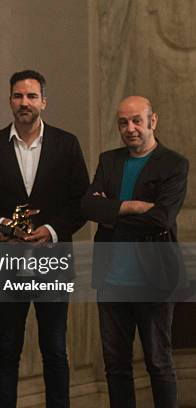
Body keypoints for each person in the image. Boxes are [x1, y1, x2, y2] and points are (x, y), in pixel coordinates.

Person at [0, 70, 89, 407]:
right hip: (7, 263)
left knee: (54, 350)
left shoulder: (67, 144)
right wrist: (3, 225)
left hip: (53, 261)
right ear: (10, 101)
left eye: (32, 96)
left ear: (43, 102)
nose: (25, 102)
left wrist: (50, 232)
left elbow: (82, 202)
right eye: (18, 96)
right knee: (5, 350)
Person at [81, 95, 189, 408]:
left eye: (137, 120)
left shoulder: (174, 164)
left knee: (158, 362)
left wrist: (110, 212)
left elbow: (162, 218)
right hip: (111, 280)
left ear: (152, 121)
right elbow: (87, 205)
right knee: (116, 366)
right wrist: (128, 206)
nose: (130, 128)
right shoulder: (109, 160)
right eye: (123, 122)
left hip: (154, 280)